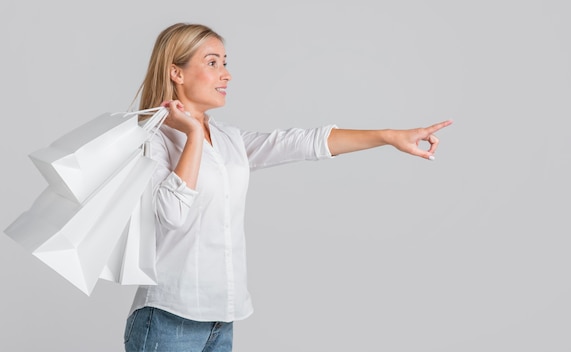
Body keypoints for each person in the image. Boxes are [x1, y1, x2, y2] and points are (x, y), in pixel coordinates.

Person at [124, 22, 452, 352]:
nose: (226, 74)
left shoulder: (228, 140)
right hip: (169, 318)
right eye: (212, 63)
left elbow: (299, 142)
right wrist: (193, 134)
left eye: (225, 62)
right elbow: (171, 215)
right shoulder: (152, 140)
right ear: (175, 73)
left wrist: (388, 136)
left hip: (222, 318)